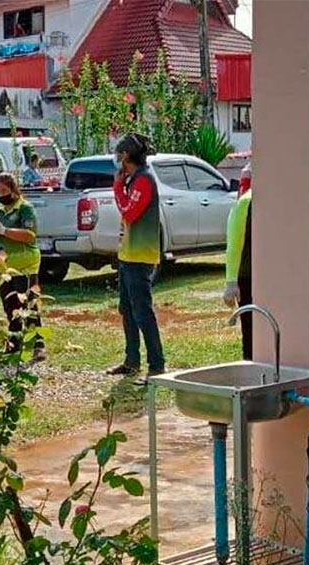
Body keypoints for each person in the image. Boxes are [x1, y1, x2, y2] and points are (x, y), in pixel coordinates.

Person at [106, 133, 164, 381]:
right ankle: (132, 361)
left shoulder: (143, 181)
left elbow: (129, 213)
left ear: (126, 156)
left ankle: (156, 363)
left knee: (142, 311)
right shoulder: (132, 180)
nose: (116, 159)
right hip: (128, 254)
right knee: (127, 310)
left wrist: (117, 186)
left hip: (141, 257)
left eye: (119, 154)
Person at [0, 173, 46, 360]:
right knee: (9, 304)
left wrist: (5, 231)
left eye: (4, 190)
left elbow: (30, 235)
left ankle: (38, 343)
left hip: (26, 264)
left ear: (13, 189)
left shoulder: (25, 209)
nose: (1, 194)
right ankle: (14, 342)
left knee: (29, 304)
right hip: (5, 266)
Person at [224, 190, 254, 360]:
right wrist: (231, 282)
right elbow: (234, 245)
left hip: (265, 277)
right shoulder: (246, 203)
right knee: (250, 331)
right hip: (247, 277)